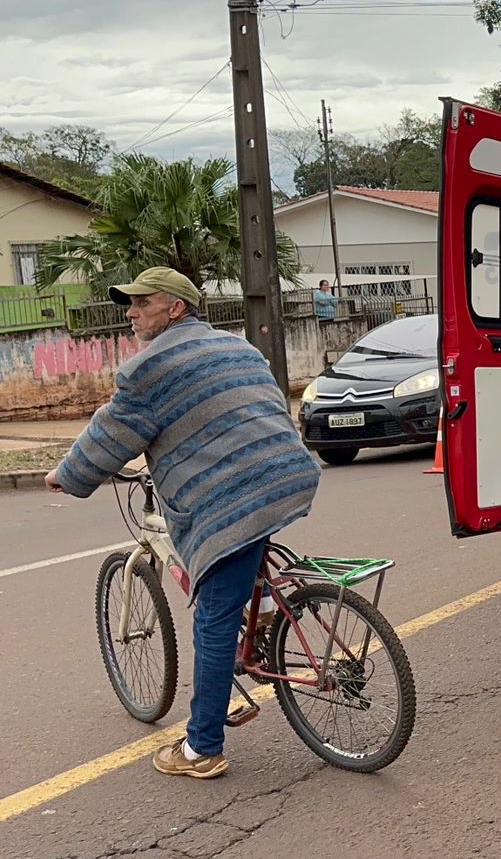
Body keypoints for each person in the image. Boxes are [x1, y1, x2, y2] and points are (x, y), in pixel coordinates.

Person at [45, 266, 320, 779]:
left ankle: (202, 748)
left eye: (142, 303)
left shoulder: (150, 367)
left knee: (213, 618)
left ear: (175, 308)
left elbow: (112, 433)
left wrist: (67, 476)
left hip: (233, 498)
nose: (131, 314)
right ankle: (257, 615)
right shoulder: (238, 348)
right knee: (244, 558)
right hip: (286, 474)